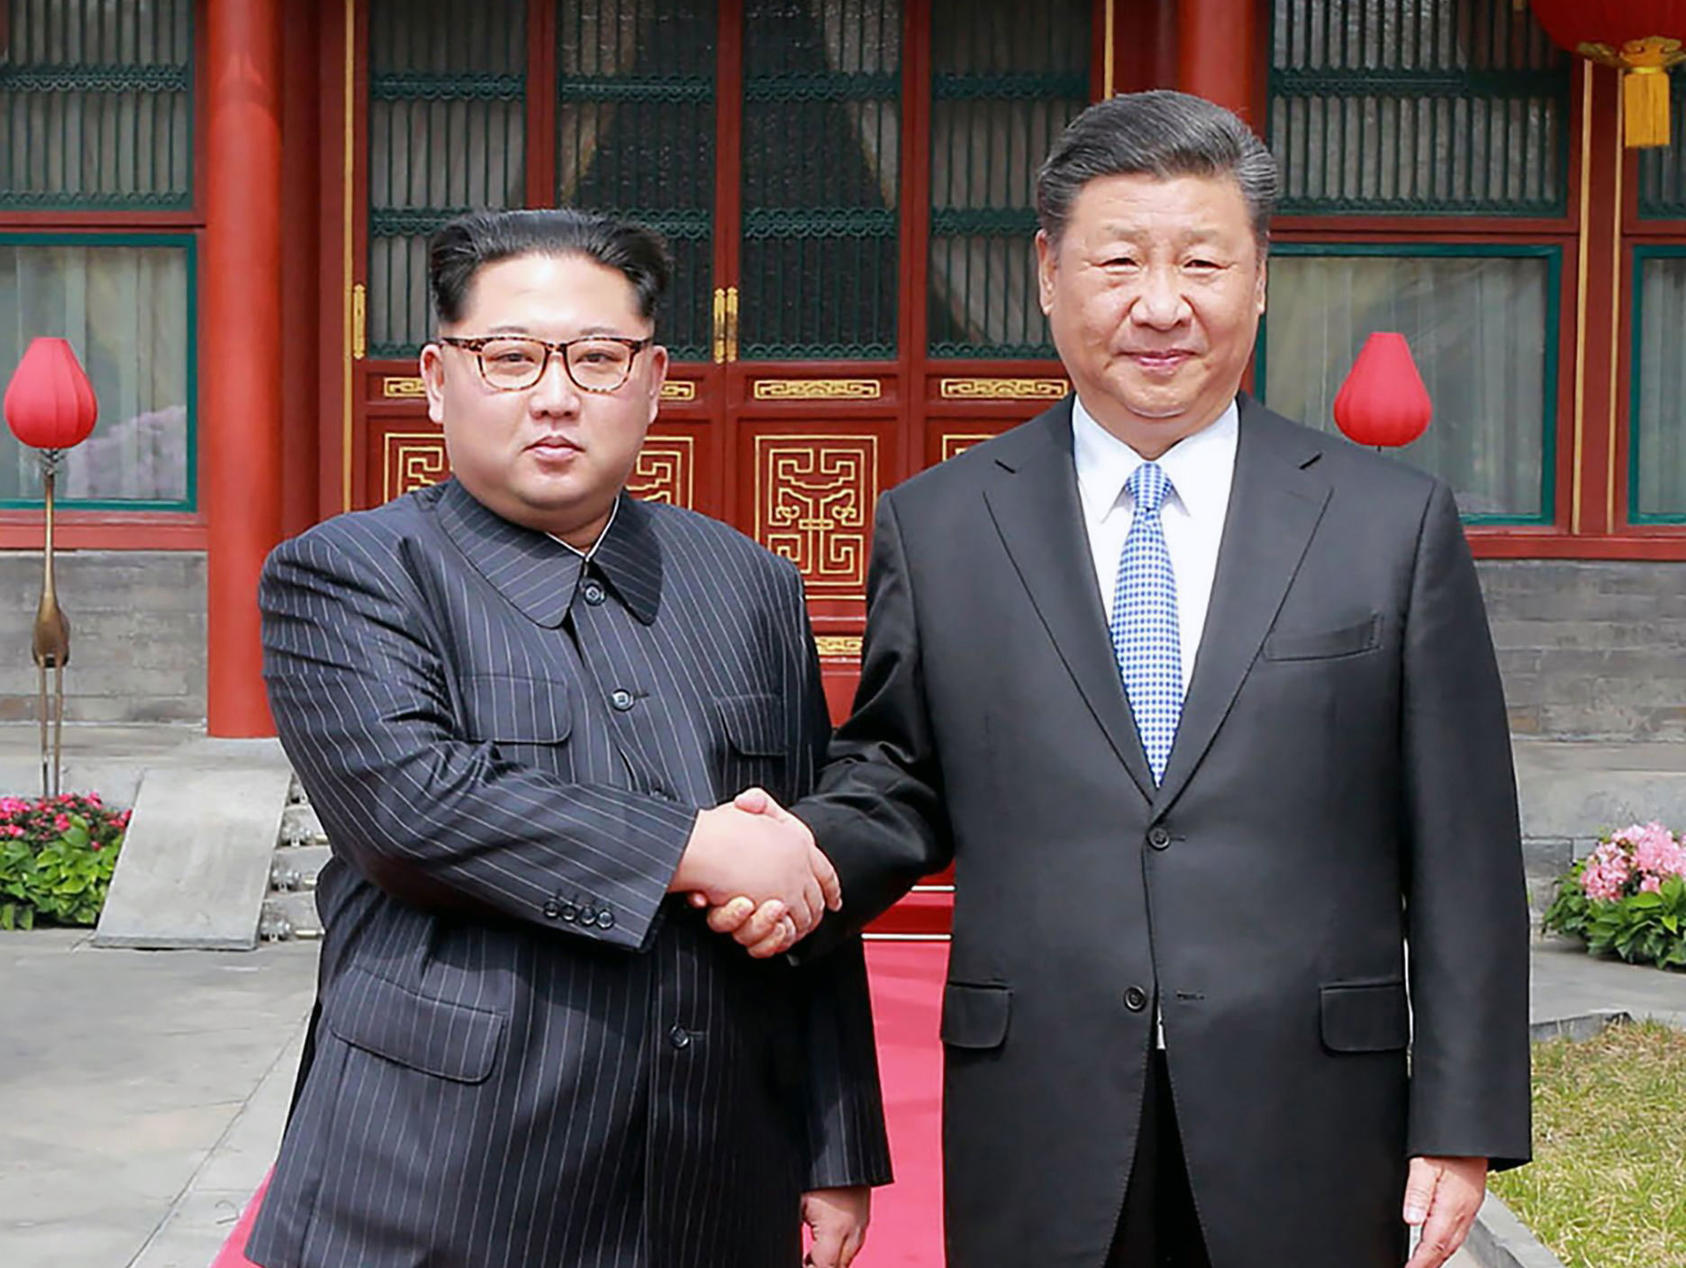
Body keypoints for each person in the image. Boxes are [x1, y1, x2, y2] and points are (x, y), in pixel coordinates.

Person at [720, 90, 1530, 1268]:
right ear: (1049, 272)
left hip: (1311, 1110)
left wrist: (1462, 1121)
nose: (1162, 305)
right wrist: (796, 857)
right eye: (1118, 261)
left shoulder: (1387, 524)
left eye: (1203, 261)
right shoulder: (942, 524)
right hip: (1040, 1102)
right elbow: (898, 772)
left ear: (1259, 278)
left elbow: (1463, 840)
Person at [245, 208, 890, 1268]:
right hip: (438, 1177)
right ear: (437, 376)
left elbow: (798, 876)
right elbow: (415, 808)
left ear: (653, 376)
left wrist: (834, 1138)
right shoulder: (351, 573)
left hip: (712, 1168)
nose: (554, 394)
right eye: (508, 357)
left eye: (597, 358)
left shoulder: (751, 585)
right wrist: (693, 845)